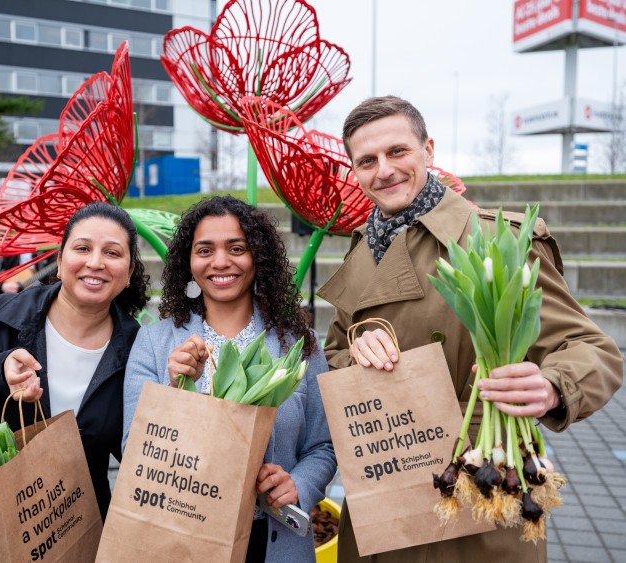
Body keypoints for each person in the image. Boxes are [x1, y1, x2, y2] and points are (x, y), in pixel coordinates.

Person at [318, 95, 624, 563]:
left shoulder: (494, 239)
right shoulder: (361, 247)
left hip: (477, 485)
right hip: (384, 483)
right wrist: (357, 347)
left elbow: (590, 347)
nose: (384, 170)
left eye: (398, 152)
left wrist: (553, 386)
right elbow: (335, 350)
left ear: (429, 151)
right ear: (354, 170)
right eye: (367, 160)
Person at [0, 202, 150, 562]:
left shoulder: (139, 348)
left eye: (112, 253)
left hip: (73, 529)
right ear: (59, 260)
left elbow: (140, 454)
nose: (95, 263)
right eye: (82, 248)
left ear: (129, 271)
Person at [123, 195, 336, 563]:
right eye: (205, 250)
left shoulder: (299, 343)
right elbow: (133, 453)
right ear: (189, 263)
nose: (220, 261)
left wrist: (297, 485)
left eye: (236, 248)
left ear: (258, 258)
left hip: (274, 541)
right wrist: (175, 390)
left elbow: (324, 446)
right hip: (182, 540)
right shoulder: (155, 343)